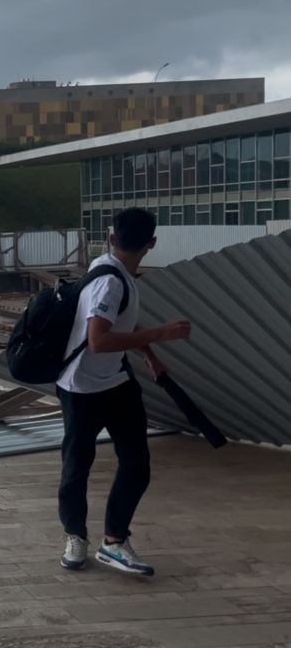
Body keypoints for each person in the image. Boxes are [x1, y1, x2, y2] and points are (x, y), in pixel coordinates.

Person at [56, 207, 190, 577]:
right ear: (151, 243)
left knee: (135, 464)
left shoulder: (114, 269)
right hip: (81, 386)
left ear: (112, 237)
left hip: (116, 382)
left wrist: (149, 354)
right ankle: (75, 536)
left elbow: (121, 322)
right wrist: (160, 335)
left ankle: (113, 542)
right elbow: (98, 341)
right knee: (78, 466)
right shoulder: (110, 281)